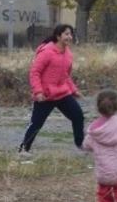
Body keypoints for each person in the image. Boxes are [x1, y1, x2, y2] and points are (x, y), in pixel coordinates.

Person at [19, 24, 85, 155]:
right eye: (66, 34)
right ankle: (23, 150)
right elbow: (35, 72)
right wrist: (38, 92)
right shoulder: (47, 52)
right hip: (45, 96)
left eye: (70, 34)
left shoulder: (68, 54)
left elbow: (66, 75)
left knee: (78, 116)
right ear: (58, 36)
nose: (69, 37)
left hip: (62, 94)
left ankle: (81, 145)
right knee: (36, 123)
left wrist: (73, 90)